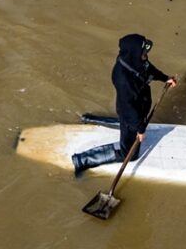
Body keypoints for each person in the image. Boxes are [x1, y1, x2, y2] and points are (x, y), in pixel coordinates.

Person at [72, 33, 177, 176]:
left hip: (139, 106)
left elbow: (149, 69)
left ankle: (90, 119)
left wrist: (165, 78)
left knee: (129, 123)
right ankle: (82, 159)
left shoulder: (138, 61)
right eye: (144, 52)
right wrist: (140, 129)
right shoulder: (123, 79)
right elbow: (128, 109)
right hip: (130, 112)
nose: (146, 55)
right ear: (135, 53)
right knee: (128, 152)